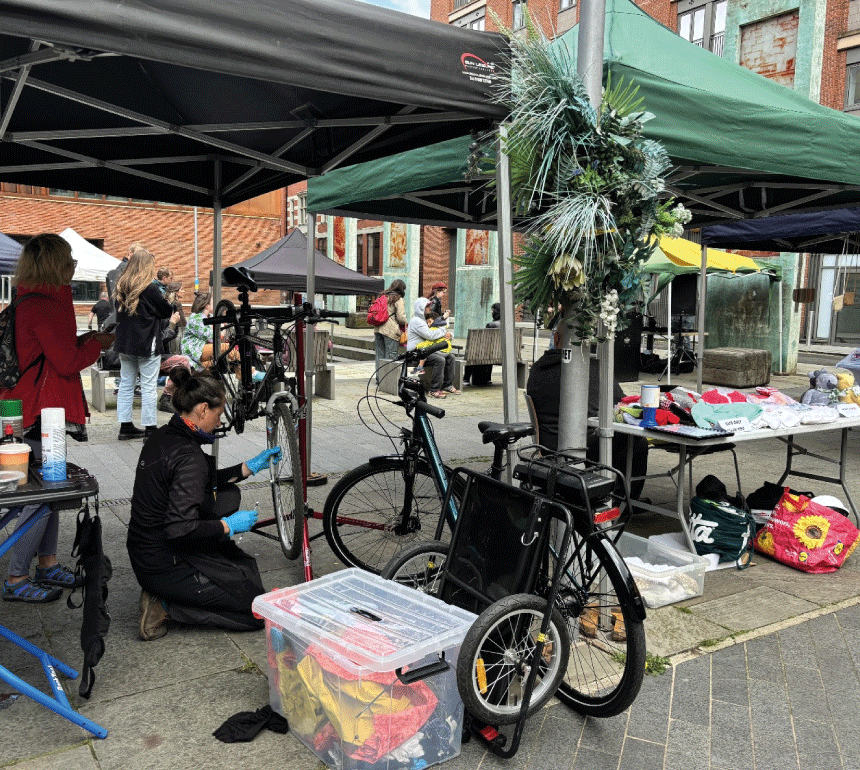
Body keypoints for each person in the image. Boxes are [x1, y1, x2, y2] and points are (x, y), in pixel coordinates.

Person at [127, 367, 281, 640]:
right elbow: (180, 529)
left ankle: (168, 591)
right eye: (219, 415)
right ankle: (166, 605)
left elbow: (201, 481)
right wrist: (226, 526)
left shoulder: (163, 436)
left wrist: (250, 466)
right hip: (164, 560)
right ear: (202, 409)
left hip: (146, 551)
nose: (219, 422)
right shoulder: (189, 457)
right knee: (256, 612)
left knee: (242, 567)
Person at [0, 233, 114, 602]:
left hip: (30, 406)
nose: (74, 266)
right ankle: (16, 578)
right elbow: (65, 363)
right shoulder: (44, 306)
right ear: (57, 264)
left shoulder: (32, 301)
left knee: (50, 492)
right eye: (70, 260)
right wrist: (95, 344)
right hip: (37, 411)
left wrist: (86, 340)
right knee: (42, 493)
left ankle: (47, 563)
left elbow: (54, 353)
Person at [526, 337, 648, 501]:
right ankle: (625, 501)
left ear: (556, 339)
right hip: (581, 447)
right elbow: (621, 403)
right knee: (637, 442)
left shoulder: (538, 369)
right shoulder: (592, 369)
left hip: (546, 445)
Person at [114, 248, 174, 440]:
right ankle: (150, 428)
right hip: (147, 342)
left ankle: (125, 426)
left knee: (126, 384)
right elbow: (165, 311)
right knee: (148, 386)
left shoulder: (121, 285)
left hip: (125, 343)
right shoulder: (149, 288)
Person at [407, 297, 459, 399]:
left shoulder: (422, 320)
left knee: (451, 357)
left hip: (425, 350)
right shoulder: (417, 321)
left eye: (429, 306)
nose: (430, 308)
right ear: (420, 308)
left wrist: (449, 334)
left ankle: (447, 385)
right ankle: (433, 390)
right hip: (416, 353)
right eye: (427, 306)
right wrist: (444, 332)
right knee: (439, 360)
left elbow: (435, 331)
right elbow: (430, 335)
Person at [373, 279, 408, 382]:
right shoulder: (398, 299)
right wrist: (406, 322)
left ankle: (379, 378)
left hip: (378, 328)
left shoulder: (382, 296)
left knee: (380, 355)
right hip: (390, 330)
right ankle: (389, 380)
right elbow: (401, 318)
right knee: (391, 355)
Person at [463, 302, 500, 387]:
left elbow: (485, 341)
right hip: (500, 353)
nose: (491, 312)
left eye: (492, 311)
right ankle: (488, 378)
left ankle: (466, 379)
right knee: (490, 352)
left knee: (472, 353)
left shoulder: (491, 325)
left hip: (489, 353)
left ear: (495, 312)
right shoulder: (508, 325)